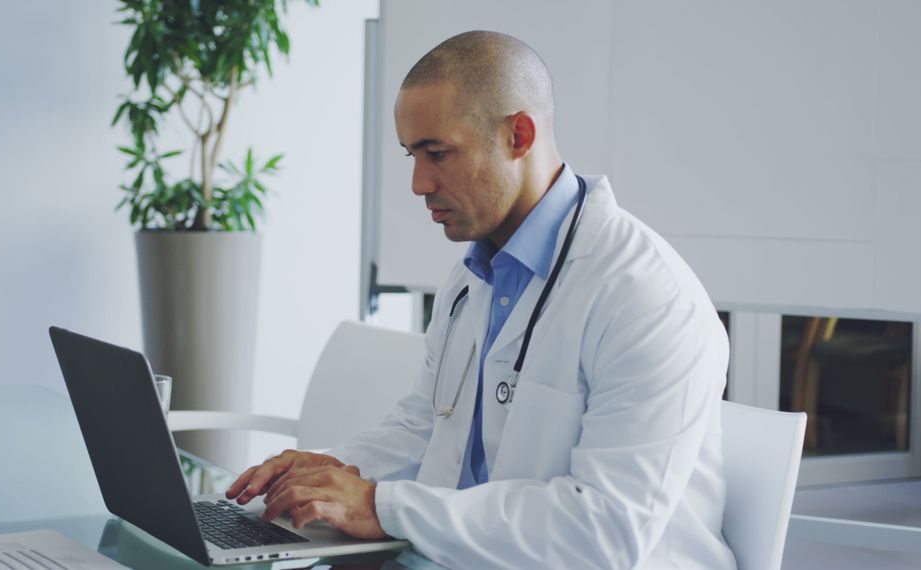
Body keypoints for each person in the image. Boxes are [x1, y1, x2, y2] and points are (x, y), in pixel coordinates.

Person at [226, 31, 735, 569]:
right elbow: (426, 425)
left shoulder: (647, 298)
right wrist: (323, 472)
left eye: (437, 153)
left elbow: (603, 535)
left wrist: (381, 505)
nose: (420, 182)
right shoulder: (477, 273)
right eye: (411, 155)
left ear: (518, 134)